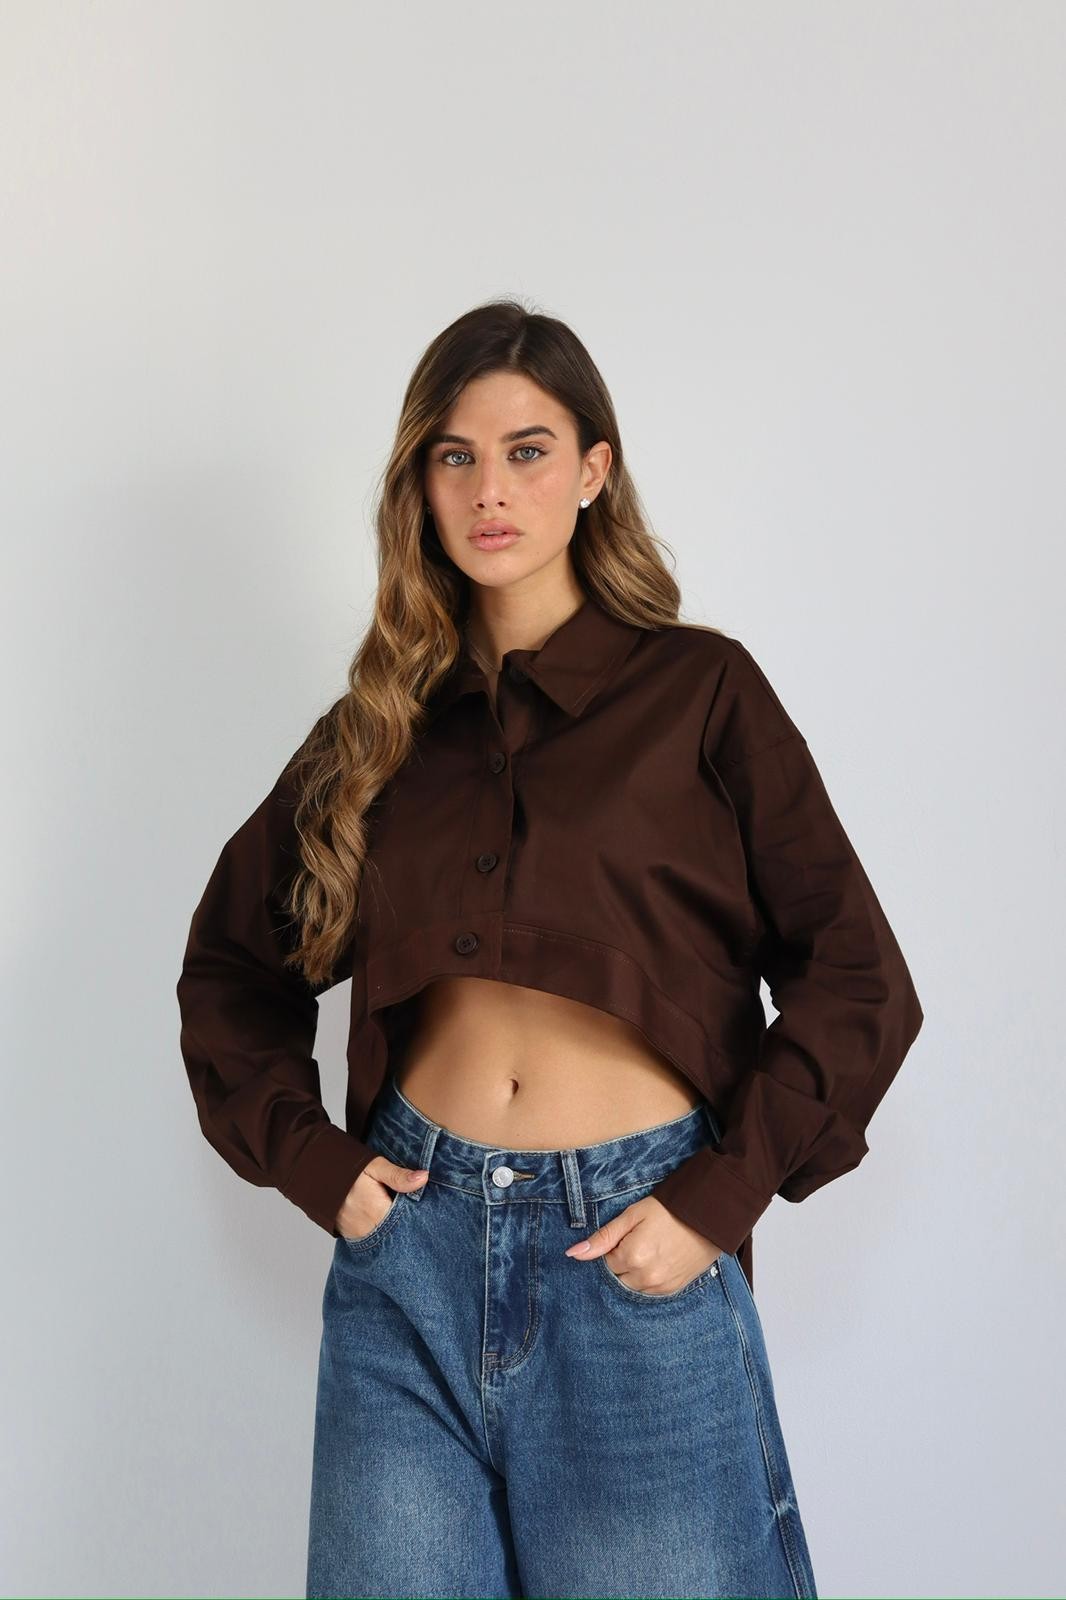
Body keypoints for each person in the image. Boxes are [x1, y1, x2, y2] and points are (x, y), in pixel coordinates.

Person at [176, 297, 923, 1600]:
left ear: (593, 472)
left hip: (631, 1249)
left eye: (527, 451)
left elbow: (858, 977)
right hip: (407, 1260)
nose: (489, 490)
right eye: (454, 456)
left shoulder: (702, 693)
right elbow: (232, 967)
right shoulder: (378, 728)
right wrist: (319, 1168)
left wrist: (713, 1201)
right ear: (419, 487)